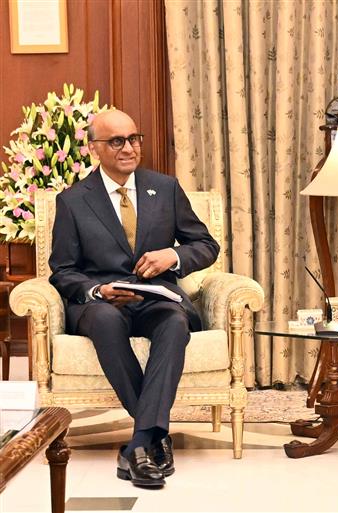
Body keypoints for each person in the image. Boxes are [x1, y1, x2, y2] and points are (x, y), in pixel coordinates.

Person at [48, 110, 220, 488]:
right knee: (107, 321)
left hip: (155, 295)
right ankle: (155, 438)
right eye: (117, 141)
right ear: (94, 148)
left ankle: (139, 444)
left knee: (175, 322)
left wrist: (171, 257)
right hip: (101, 302)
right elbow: (62, 270)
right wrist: (97, 291)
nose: (129, 148)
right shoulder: (73, 201)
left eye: (134, 138)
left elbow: (206, 245)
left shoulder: (166, 187)